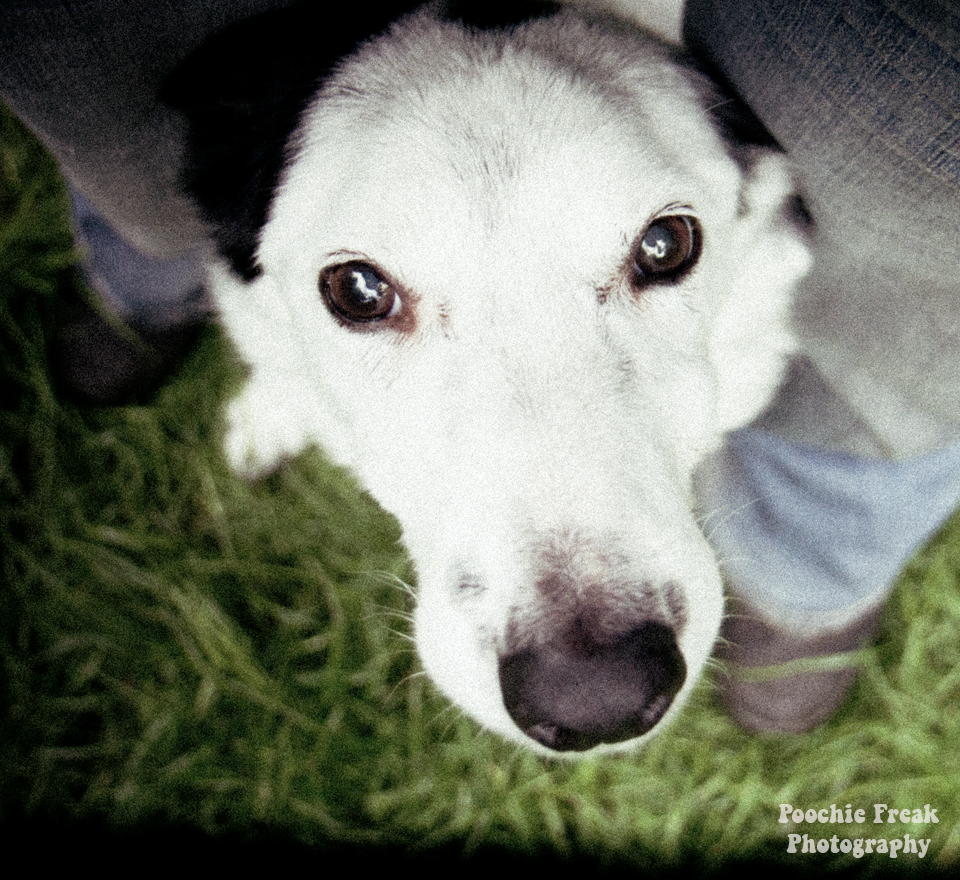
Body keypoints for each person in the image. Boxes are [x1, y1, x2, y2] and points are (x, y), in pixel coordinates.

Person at [2, 0, 958, 731]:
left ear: (754, 202)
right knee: (108, 76)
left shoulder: (756, 235)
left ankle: (817, 554)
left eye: (660, 250)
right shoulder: (266, 249)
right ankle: (143, 271)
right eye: (365, 295)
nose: (583, 654)